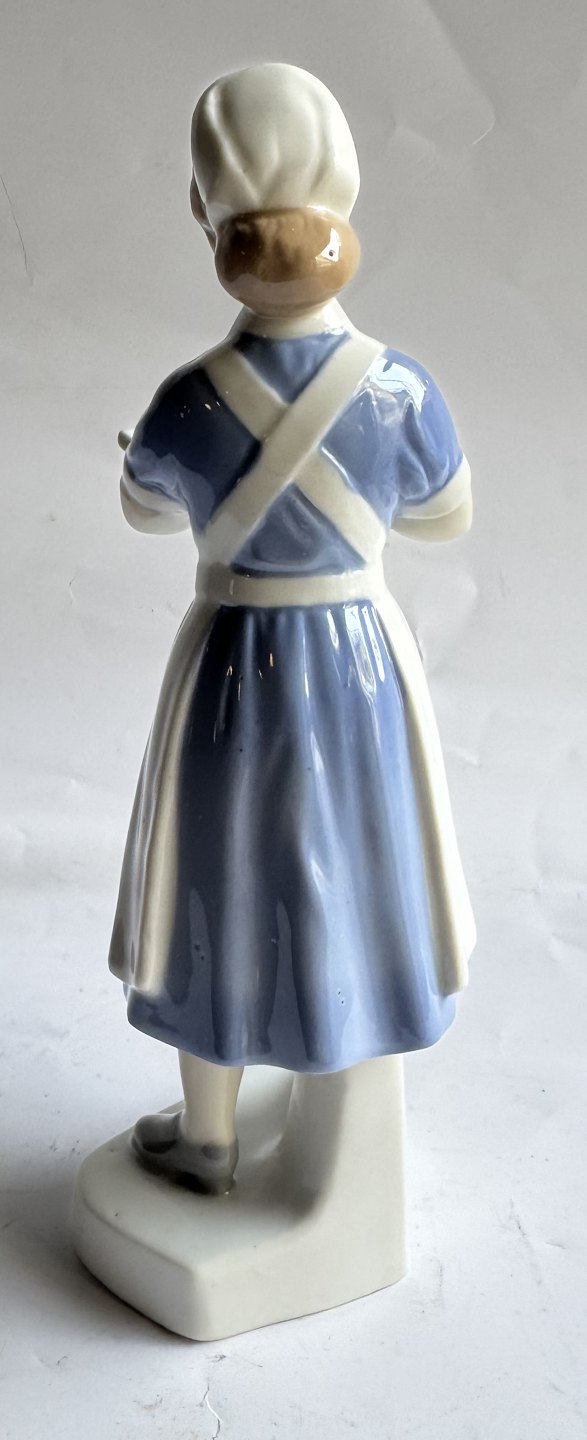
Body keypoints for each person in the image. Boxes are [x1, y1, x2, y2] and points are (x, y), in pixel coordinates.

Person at [109, 62, 475, 1196]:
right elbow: (445, 520)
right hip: (357, 666)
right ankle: (340, 1093)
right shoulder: (400, 389)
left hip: (232, 674)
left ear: (201, 209)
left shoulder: (186, 398)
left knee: (214, 885)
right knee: (353, 867)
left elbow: (141, 507)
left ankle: (210, 1137)